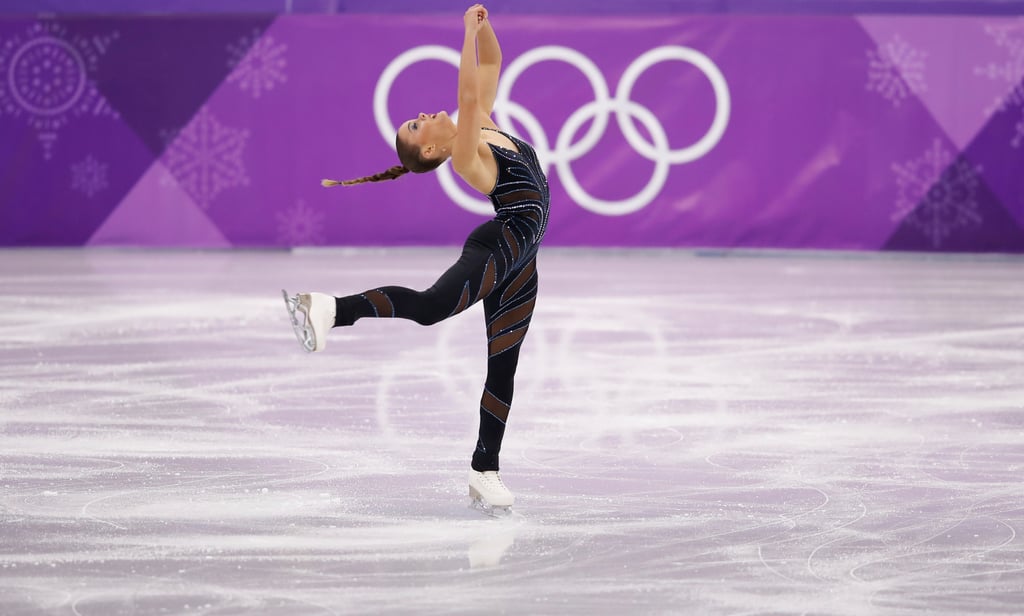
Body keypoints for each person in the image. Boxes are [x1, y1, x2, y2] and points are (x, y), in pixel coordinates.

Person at [284, 4, 549, 513]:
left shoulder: (488, 126)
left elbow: (490, 67)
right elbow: (469, 93)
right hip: (499, 244)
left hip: (523, 259)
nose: (424, 114)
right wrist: (462, 35)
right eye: (416, 124)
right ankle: (329, 309)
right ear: (429, 151)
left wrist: (483, 27)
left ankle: (484, 470)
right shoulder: (469, 153)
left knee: (504, 365)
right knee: (431, 308)